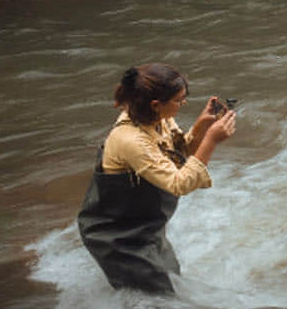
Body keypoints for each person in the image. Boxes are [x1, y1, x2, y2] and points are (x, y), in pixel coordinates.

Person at [76, 63, 238, 294]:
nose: (182, 105)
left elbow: (178, 156)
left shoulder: (157, 119)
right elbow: (179, 183)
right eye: (179, 100)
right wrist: (211, 141)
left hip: (144, 227)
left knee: (168, 283)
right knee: (156, 300)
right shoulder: (130, 140)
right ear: (156, 104)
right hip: (116, 236)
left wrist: (202, 127)